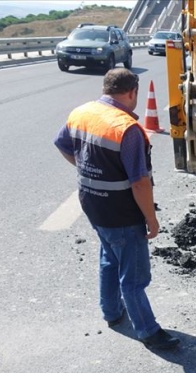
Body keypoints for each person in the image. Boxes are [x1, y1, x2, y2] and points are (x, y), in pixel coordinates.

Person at [54, 68, 179, 350]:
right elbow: (140, 184)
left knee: (110, 256)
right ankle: (148, 331)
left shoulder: (82, 112)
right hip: (121, 211)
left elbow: (61, 144)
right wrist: (151, 219)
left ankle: (111, 312)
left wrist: (89, 172)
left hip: (92, 203)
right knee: (134, 277)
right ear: (132, 92)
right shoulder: (128, 129)